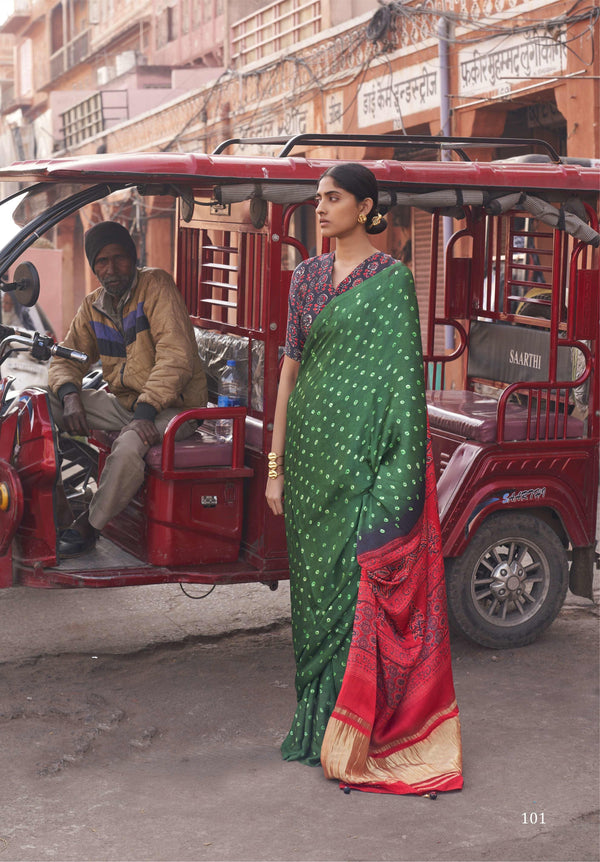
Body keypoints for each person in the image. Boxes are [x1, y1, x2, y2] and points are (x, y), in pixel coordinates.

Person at [265, 163, 463, 795]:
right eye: (317, 198)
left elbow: (404, 388)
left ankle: (357, 731)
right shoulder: (306, 279)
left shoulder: (394, 282)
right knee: (313, 601)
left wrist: (398, 472)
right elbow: (289, 375)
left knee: (356, 592)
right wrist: (274, 466)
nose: (320, 208)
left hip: (363, 465)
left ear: (366, 206)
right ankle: (315, 723)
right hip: (308, 465)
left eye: (333, 198)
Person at [47, 220, 207, 557]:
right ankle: (54, 503)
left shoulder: (156, 285)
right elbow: (66, 356)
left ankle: (90, 525)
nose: (111, 268)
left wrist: (145, 413)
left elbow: (175, 357)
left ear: (133, 258)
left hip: (176, 408)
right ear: (94, 267)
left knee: (130, 442)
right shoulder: (94, 305)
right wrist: (70, 395)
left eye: (118, 258)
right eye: (101, 262)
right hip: (127, 404)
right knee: (42, 405)